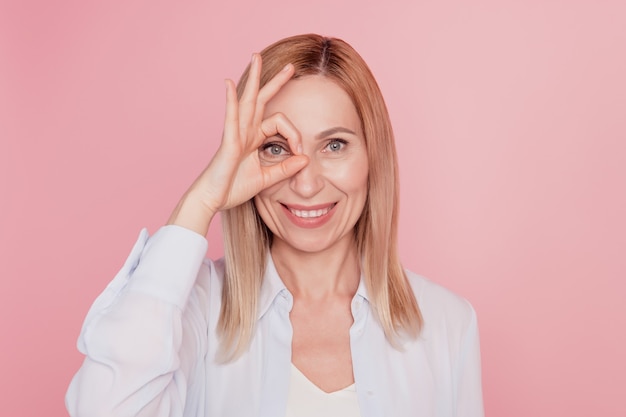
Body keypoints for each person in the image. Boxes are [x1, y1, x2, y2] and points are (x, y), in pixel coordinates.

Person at [66, 34, 484, 417]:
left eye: (334, 145)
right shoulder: (193, 312)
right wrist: (203, 198)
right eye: (276, 147)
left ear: (373, 157)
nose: (305, 182)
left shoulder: (447, 323)